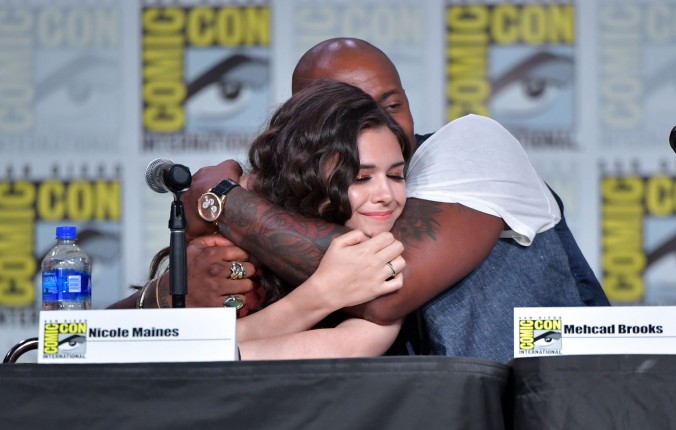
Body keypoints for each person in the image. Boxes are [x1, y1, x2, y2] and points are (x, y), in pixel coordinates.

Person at [178, 37, 610, 363]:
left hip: (557, 400)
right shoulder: (279, 199)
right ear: (302, 131)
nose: (376, 125)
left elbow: (384, 289)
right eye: (361, 176)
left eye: (391, 105)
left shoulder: (474, 144)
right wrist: (174, 295)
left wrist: (220, 200)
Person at [118, 79, 412, 359]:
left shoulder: (396, 259)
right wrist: (324, 292)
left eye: (396, 175)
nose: (386, 194)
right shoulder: (234, 245)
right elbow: (171, 352)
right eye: (361, 178)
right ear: (307, 176)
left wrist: (322, 292)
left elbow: (214, 354)